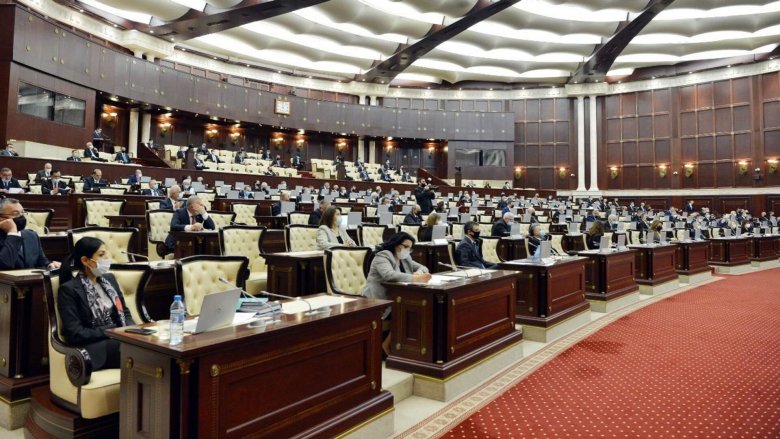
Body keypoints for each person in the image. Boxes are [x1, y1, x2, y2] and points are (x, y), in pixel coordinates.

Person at [57, 236, 134, 370]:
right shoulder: (69, 289)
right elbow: (75, 333)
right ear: (85, 260)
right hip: (93, 348)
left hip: (117, 338)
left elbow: (124, 312)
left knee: (148, 345)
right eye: (101, 255)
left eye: (106, 253)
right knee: (137, 351)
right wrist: (111, 330)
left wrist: (132, 330)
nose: (107, 258)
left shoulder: (109, 280)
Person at [0, 198, 61, 270]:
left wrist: (50, 265)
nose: (21, 216)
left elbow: (42, 261)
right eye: (15, 214)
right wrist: (13, 232)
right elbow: (5, 264)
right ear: (1, 218)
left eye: (22, 213)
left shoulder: (31, 235)